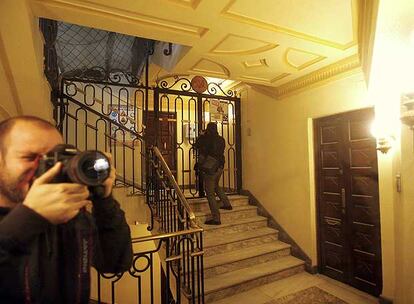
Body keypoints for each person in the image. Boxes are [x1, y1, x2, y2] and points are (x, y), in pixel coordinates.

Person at [0, 116, 132, 303]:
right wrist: (29, 217)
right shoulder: (23, 221)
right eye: (30, 157)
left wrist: (104, 200)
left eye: (55, 159)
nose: (47, 169)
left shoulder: (72, 217)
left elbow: (116, 262)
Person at [194, 122, 232, 225]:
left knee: (210, 193)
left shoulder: (206, 139)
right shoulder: (221, 139)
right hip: (219, 166)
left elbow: (196, 146)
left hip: (209, 167)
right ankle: (227, 204)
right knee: (216, 186)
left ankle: (216, 218)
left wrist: (201, 135)